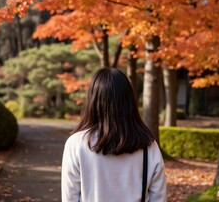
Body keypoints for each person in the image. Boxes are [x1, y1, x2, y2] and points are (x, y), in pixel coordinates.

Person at [61, 68, 167, 202]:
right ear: (129, 101)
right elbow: (158, 198)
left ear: (93, 100)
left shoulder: (77, 144)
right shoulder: (148, 146)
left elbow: (69, 197)